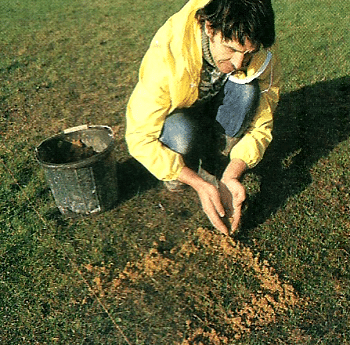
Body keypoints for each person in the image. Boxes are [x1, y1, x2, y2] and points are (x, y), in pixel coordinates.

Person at [125, 0, 280, 235]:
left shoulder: (258, 39)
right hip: (181, 115)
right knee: (182, 133)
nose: (239, 63)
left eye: (248, 53)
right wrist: (195, 183)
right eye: (231, 49)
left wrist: (234, 171)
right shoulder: (166, 54)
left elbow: (262, 123)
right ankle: (180, 171)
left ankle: (216, 162)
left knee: (249, 91)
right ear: (210, 28)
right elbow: (139, 138)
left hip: (217, 105)